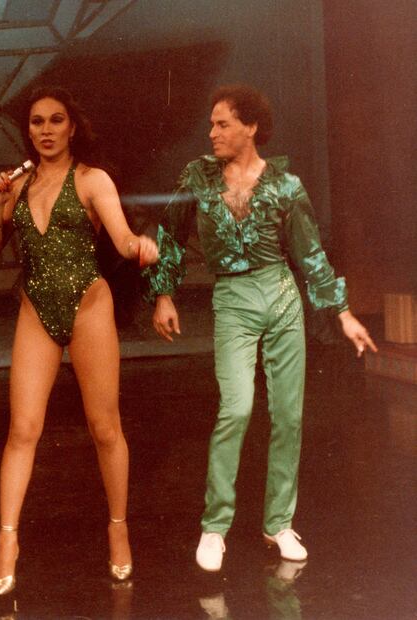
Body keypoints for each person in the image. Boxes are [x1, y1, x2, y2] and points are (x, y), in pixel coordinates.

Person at [147, 85, 377, 572]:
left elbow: (309, 254)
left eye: (223, 124)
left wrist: (343, 313)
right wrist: (164, 294)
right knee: (236, 408)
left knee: (288, 416)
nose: (212, 133)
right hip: (233, 298)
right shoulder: (198, 176)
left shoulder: (285, 185)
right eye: (211, 124)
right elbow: (170, 233)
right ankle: (215, 526)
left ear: (250, 127)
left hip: (280, 295)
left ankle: (278, 523)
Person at [0, 86, 159, 595]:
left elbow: (121, 239)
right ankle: (7, 540)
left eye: (56, 120)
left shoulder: (91, 180)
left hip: (88, 308)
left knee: (105, 428)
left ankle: (118, 529)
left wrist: (140, 247)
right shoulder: (18, 184)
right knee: (23, 429)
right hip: (36, 310)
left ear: (72, 127)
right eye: (37, 121)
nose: (45, 130)